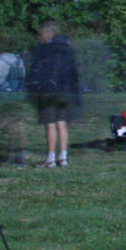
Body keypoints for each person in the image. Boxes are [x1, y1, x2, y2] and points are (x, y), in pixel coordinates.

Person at [28, 22, 82, 168]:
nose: (40, 37)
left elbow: (35, 71)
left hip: (48, 92)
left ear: (47, 34)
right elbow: (74, 72)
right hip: (65, 92)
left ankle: (51, 158)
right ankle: (63, 157)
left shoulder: (43, 49)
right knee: (62, 123)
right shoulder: (66, 49)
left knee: (50, 125)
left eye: (41, 34)